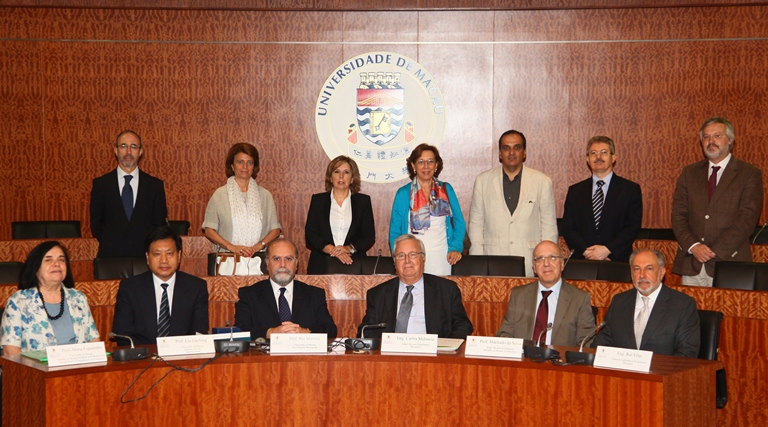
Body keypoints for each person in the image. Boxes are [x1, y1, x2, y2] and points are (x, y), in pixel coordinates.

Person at [672, 117, 764, 287]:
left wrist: (714, 251)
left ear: (730, 140)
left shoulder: (749, 174)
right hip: (692, 262)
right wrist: (694, 246)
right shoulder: (689, 173)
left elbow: (747, 220)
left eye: (717, 136)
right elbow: (678, 215)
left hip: (730, 263)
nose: (711, 141)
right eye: (706, 137)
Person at [469, 130, 558, 276]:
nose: (511, 152)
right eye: (506, 148)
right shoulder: (482, 181)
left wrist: (546, 263)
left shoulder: (542, 181)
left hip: (529, 263)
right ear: (500, 154)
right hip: (492, 263)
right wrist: (478, 264)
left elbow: (549, 228)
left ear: (524, 153)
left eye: (517, 147)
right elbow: (476, 226)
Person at [358, 234, 473, 339]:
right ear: (394, 262)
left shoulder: (447, 290)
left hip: (433, 352)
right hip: (392, 353)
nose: (407, 260)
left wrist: (445, 348)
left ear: (423, 258)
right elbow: (366, 330)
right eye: (401, 256)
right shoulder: (378, 294)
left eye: (412, 254)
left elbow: (463, 325)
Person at [592, 249, 700, 357]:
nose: (642, 275)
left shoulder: (683, 305)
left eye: (649, 269)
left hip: (661, 367)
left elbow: (687, 352)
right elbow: (602, 343)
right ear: (631, 273)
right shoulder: (619, 301)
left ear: (661, 272)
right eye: (637, 269)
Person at [112, 227, 209, 346]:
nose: (164, 260)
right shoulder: (130, 288)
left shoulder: (196, 287)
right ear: (147, 257)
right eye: (157, 254)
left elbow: (199, 333)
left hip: (181, 355)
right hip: (143, 355)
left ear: (179, 255)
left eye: (169, 253)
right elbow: (123, 335)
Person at [1, 241, 99, 354]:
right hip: (35, 365)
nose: (57, 264)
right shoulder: (18, 301)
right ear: (36, 269)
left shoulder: (78, 298)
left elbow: (94, 342)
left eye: (61, 260)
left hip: (78, 364)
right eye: (48, 260)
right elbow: (10, 350)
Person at [496, 240, 595, 346]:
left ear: (562, 264)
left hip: (560, 356)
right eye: (540, 258)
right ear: (534, 267)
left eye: (552, 257)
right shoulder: (518, 295)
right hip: (524, 355)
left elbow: (586, 343)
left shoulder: (579, 299)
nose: (546, 264)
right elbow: (505, 334)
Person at [203, 143, 282, 274]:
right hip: (228, 262)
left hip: (258, 261)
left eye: (249, 162)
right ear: (232, 166)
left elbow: (275, 230)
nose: (245, 167)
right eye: (240, 162)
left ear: (254, 167)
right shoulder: (219, 195)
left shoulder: (265, 195)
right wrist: (232, 247)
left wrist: (258, 246)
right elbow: (209, 230)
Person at [235, 238, 338, 339]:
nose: (283, 265)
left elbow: (330, 329)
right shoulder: (249, 295)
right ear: (267, 264)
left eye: (288, 259)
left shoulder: (314, 295)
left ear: (296, 264)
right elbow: (241, 329)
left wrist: (306, 332)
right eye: (276, 259)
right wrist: (270, 333)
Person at [561, 135, 642, 262]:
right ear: (588, 159)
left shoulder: (630, 190)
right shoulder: (575, 191)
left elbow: (632, 227)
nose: (598, 157)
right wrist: (587, 252)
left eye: (604, 152)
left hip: (617, 260)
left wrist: (608, 250)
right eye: (593, 153)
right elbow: (568, 227)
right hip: (583, 261)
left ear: (613, 157)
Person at [389, 143, 466, 276]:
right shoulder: (403, 193)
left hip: (442, 258)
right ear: (413, 166)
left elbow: (459, 223)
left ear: (436, 165)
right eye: (421, 162)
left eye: (430, 161)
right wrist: (399, 257)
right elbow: (395, 231)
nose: (426, 166)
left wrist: (455, 248)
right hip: (411, 259)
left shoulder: (446, 189)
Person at [90, 130, 168, 258]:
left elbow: (159, 225)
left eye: (133, 146)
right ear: (116, 151)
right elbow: (96, 224)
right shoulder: (101, 184)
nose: (128, 152)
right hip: (110, 258)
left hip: (144, 258)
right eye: (123, 146)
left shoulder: (154, 186)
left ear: (141, 152)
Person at [305, 156, 375, 274]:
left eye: (346, 172)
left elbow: (368, 235)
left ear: (352, 178)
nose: (341, 176)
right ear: (330, 177)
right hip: (321, 264)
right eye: (337, 172)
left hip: (354, 263)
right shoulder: (318, 200)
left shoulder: (363, 201)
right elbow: (310, 234)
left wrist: (348, 248)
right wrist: (332, 250)